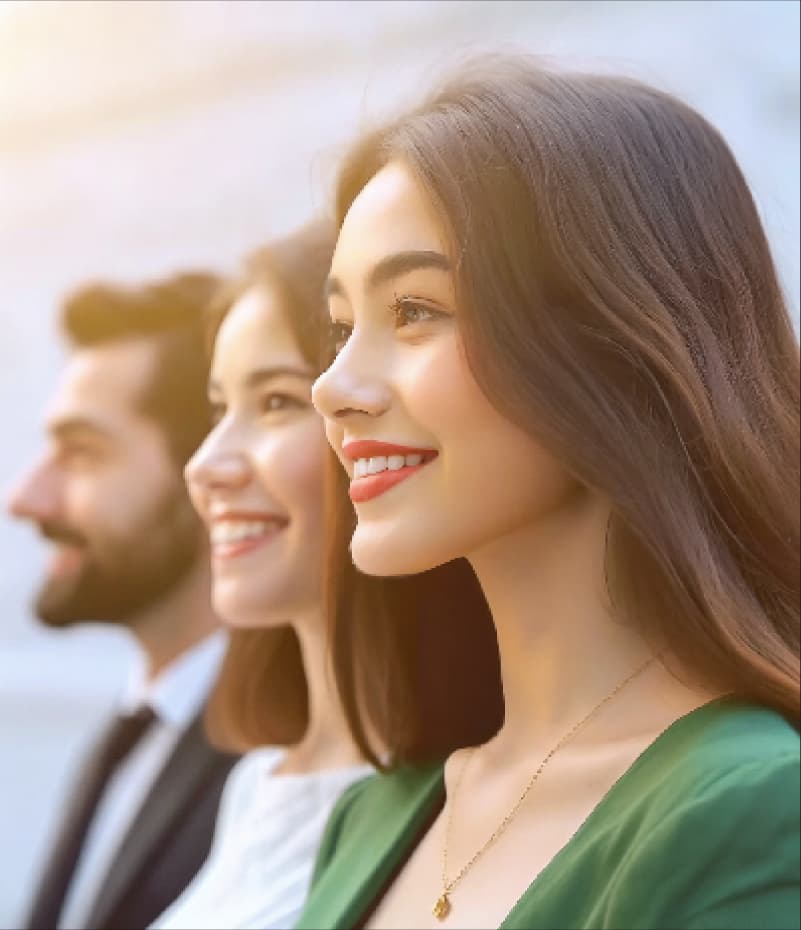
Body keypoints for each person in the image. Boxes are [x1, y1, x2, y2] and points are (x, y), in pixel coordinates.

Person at [300, 56, 801, 929]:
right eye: (342, 328)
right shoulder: (372, 817)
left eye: (414, 310)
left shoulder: (752, 807)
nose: (333, 386)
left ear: (615, 339)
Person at [149, 221, 373, 930]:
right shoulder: (255, 783)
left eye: (276, 402)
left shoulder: (459, 802)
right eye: (220, 409)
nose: (205, 465)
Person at [7, 273, 238, 930]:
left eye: (82, 453)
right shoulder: (137, 724)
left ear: (212, 471)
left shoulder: (283, 756)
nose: (26, 499)